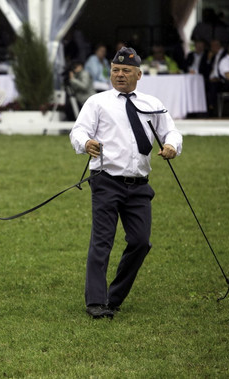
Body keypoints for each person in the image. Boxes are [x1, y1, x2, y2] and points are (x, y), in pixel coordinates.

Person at [69, 47, 183, 319]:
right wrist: (86, 143)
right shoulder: (97, 102)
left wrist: (171, 146)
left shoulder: (152, 103)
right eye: (115, 71)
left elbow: (171, 131)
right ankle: (96, 303)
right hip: (106, 180)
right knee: (102, 242)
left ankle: (115, 297)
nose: (120, 75)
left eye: (126, 71)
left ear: (139, 75)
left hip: (140, 185)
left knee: (141, 242)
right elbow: (78, 130)